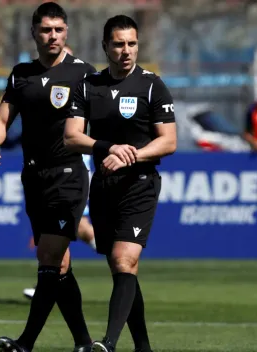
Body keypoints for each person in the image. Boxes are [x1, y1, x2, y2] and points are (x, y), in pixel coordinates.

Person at [0, 3, 96, 352]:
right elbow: (3, 120)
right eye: (46, 30)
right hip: (34, 177)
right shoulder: (21, 74)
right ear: (34, 32)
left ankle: (25, 343)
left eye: (59, 29)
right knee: (58, 265)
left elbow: (104, 120)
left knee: (48, 256)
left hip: (69, 177)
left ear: (67, 32)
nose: (53, 36)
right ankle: (84, 343)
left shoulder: (84, 74)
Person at [64, 15, 177, 352]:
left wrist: (130, 155)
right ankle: (143, 347)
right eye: (118, 44)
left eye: (132, 44)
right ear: (105, 46)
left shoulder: (152, 85)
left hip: (139, 185)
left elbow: (168, 141)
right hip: (103, 186)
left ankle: (109, 344)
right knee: (121, 268)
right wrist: (106, 148)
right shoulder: (88, 86)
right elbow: (71, 136)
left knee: (124, 260)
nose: (126, 50)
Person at [23, 153, 96, 300]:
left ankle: (121, 259)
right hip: (60, 169)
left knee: (77, 227)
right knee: (67, 229)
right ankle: (47, 285)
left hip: (71, 171)